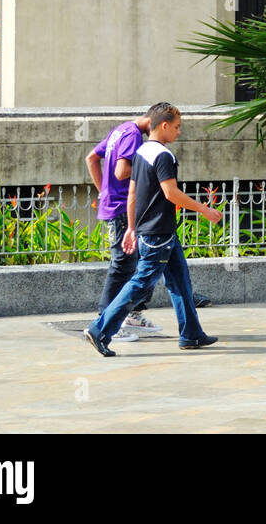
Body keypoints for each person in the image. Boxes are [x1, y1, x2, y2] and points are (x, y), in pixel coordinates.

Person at [83, 103, 223, 357]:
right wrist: (204, 209)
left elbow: (133, 194)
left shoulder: (142, 152)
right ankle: (99, 330)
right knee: (140, 283)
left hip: (155, 231)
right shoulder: (163, 155)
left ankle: (191, 334)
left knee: (180, 281)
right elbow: (171, 193)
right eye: (178, 127)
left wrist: (132, 228)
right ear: (165, 125)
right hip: (159, 233)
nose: (180, 133)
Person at [85, 115, 161, 341]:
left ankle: (132, 314)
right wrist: (150, 165)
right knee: (122, 265)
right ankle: (105, 322)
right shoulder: (133, 135)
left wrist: (103, 191)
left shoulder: (120, 130)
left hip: (116, 205)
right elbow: (121, 171)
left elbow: (91, 158)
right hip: (120, 209)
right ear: (155, 122)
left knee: (136, 263)